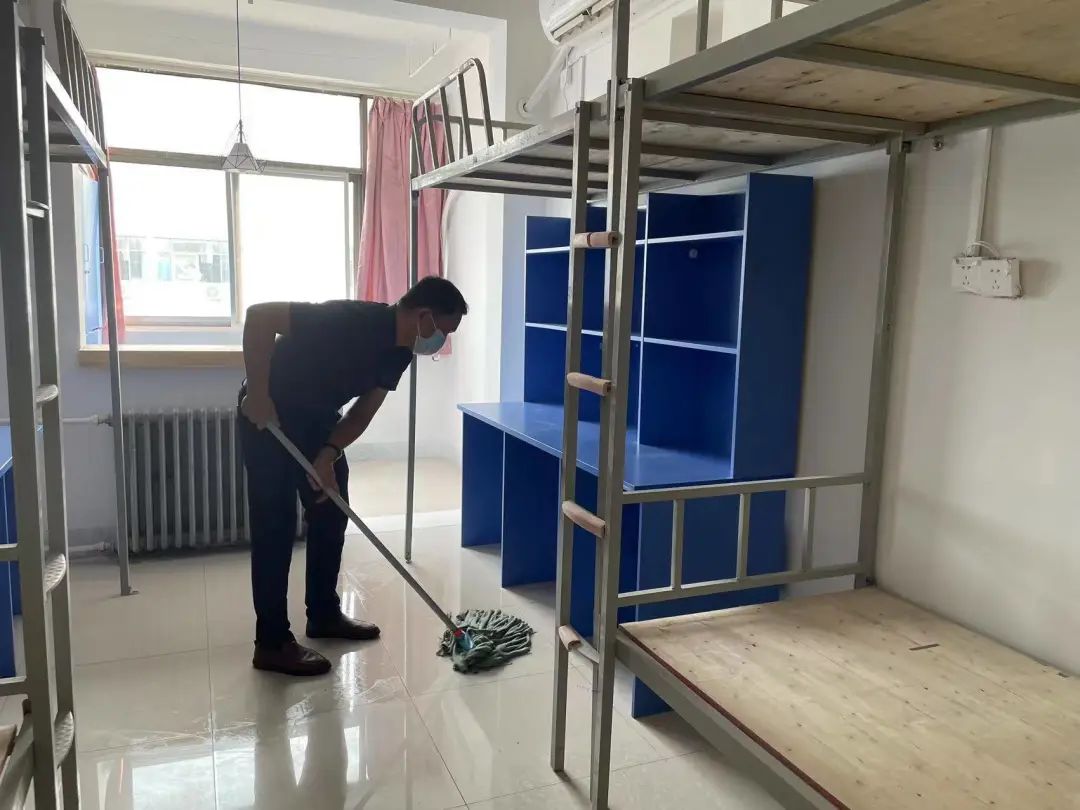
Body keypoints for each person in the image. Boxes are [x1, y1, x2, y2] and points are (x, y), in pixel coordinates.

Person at [238, 277, 468, 676]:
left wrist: (329, 453)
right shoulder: (348, 319)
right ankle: (271, 643)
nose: (440, 342)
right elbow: (259, 317)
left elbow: (362, 414)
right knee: (275, 526)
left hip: (317, 423)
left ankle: (323, 614)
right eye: (443, 331)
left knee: (331, 512)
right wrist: (258, 392)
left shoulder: (399, 353)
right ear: (424, 316)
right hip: (268, 418)